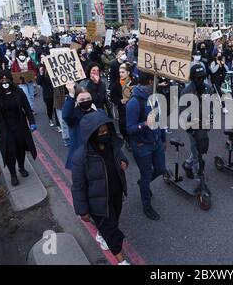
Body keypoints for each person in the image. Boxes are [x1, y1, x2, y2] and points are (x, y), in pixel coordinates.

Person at [71, 111, 130, 265]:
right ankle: (121, 261)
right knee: (111, 231)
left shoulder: (112, 145)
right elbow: (78, 187)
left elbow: (121, 156)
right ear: (91, 135)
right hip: (98, 201)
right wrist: (82, 210)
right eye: (101, 132)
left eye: (106, 130)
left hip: (116, 193)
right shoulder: (80, 157)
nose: (105, 134)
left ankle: (101, 234)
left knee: (113, 222)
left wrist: (124, 162)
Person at [126, 72, 166, 221]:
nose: (160, 84)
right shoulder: (134, 103)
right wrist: (144, 124)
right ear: (150, 81)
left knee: (161, 168)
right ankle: (147, 206)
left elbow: (159, 119)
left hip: (156, 142)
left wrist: (163, 138)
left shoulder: (154, 97)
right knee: (146, 173)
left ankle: (143, 182)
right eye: (157, 81)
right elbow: (129, 129)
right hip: (142, 145)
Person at [0, 71, 38, 186]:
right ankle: (13, 174)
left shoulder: (19, 92)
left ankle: (21, 167)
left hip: (20, 126)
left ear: (11, 80)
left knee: (20, 148)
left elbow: (27, 108)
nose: (5, 83)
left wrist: (32, 122)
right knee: (10, 151)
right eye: (2, 81)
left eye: (7, 80)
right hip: (5, 129)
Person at [181, 64, 213, 179]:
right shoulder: (186, 92)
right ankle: (200, 181)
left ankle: (187, 165)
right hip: (192, 126)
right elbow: (182, 112)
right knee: (196, 153)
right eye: (198, 78)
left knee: (200, 147)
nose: (201, 80)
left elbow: (211, 106)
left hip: (204, 124)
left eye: (203, 78)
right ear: (193, 78)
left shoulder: (208, 89)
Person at [62, 83, 97, 169]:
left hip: (96, 155)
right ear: (76, 101)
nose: (86, 101)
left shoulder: (98, 113)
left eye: (88, 98)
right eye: (82, 99)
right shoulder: (74, 116)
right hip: (81, 158)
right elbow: (66, 115)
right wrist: (71, 94)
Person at [110, 63, 134, 147]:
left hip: (134, 107)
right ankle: (126, 139)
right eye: (120, 72)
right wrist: (120, 101)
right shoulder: (116, 84)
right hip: (123, 108)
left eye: (123, 72)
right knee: (123, 125)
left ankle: (133, 139)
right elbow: (112, 97)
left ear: (128, 72)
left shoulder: (134, 82)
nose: (121, 74)